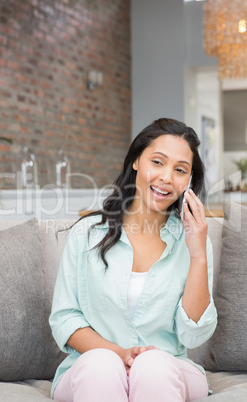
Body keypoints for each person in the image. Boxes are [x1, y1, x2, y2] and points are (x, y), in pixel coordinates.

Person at [49, 118, 218, 402]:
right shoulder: (86, 235)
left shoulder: (194, 240)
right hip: (93, 367)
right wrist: (119, 354)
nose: (166, 177)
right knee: (101, 364)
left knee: (151, 365)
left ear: (188, 181)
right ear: (137, 161)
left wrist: (198, 254)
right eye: (158, 162)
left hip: (168, 367)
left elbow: (193, 335)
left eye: (180, 170)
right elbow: (65, 318)